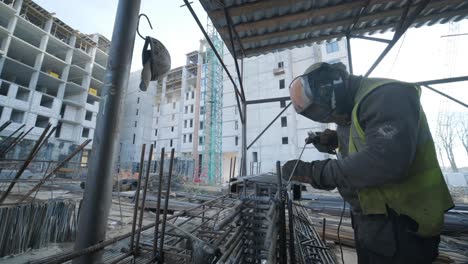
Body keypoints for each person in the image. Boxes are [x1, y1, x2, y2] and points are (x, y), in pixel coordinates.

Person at [282, 62, 454, 264]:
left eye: (327, 112)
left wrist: (315, 172)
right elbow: (365, 139)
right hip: (373, 220)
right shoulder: (351, 108)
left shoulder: (387, 96)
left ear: (335, 87)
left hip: (403, 222)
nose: (330, 117)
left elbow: (384, 160)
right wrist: (333, 140)